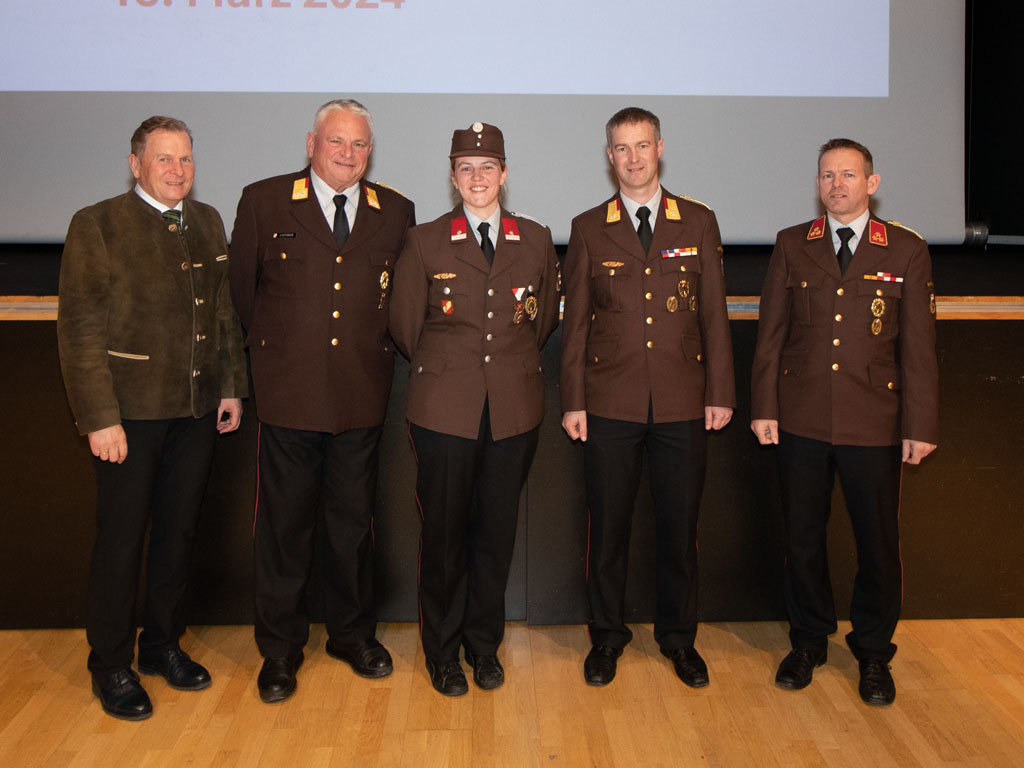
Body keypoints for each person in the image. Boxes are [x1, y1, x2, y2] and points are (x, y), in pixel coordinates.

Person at [57, 116, 247, 720]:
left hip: (195, 411)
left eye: (185, 158)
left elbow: (222, 313)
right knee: (121, 542)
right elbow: (80, 331)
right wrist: (99, 417)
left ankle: (161, 645)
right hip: (128, 418)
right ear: (136, 163)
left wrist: (231, 387)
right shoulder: (98, 224)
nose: (177, 170)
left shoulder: (207, 220)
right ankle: (109, 664)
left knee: (177, 534)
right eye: (164, 158)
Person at [229, 99, 415, 703]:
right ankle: (280, 650)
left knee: (352, 526)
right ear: (312, 143)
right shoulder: (264, 201)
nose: (347, 153)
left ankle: (352, 635)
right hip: (290, 394)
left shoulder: (396, 211)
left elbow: (397, 302)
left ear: (370, 151)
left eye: (359, 144)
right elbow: (244, 297)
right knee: (283, 528)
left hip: (359, 394)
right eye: (336, 141)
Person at [750, 138, 938, 706]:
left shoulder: (905, 249)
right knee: (803, 539)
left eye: (849, 175)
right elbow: (771, 335)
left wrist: (920, 424)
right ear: (818, 184)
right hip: (802, 416)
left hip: (873, 420)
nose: (837, 185)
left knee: (877, 542)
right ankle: (808, 641)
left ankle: (874, 651)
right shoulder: (792, 244)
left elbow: (919, 348)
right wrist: (764, 407)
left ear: (871, 184)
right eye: (828, 175)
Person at [560, 107, 735, 687]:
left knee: (679, 531)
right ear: (609, 155)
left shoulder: (699, 221)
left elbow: (714, 316)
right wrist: (573, 400)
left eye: (642, 146)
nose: (632, 158)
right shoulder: (589, 227)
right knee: (607, 531)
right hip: (609, 402)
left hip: (683, 401)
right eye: (621, 148)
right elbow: (576, 325)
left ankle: (679, 639)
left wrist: (720, 392)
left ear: (660, 148)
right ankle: (606, 638)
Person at [389, 122, 558, 696]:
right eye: (466, 168)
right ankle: (442, 652)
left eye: (488, 167)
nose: (477, 177)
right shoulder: (425, 241)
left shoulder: (535, 239)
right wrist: (453, 371)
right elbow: (406, 326)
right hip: (444, 410)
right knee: (443, 536)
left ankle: (483, 647)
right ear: (453, 176)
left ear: (504, 174)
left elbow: (542, 320)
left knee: (495, 534)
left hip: (513, 409)